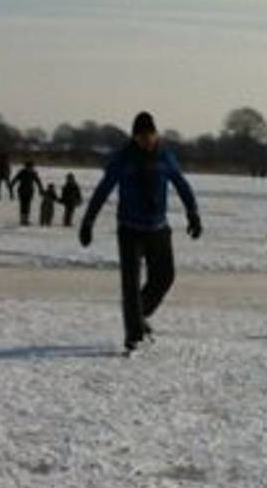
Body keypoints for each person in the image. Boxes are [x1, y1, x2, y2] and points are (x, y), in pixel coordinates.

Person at [80, 111, 201, 354]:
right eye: (142, 136)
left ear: (155, 134)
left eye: (150, 135)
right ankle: (134, 335)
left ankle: (139, 314)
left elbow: (181, 183)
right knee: (131, 284)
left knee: (164, 277)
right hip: (130, 229)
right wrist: (88, 221)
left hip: (158, 228)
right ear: (134, 137)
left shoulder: (164, 156)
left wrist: (193, 213)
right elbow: (104, 189)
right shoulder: (122, 159)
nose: (147, 140)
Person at [13, 160, 42, 225]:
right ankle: (22, 220)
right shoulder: (22, 172)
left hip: (29, 192)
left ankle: (26, 220)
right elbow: (15, 179)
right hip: (22, 191)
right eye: (29, 167)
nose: (30, 168)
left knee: (28, 206)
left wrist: (41, 189)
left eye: (31, 167)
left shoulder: (33, 173)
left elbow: (38, 181)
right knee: (22, 206)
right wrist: (11, 185)